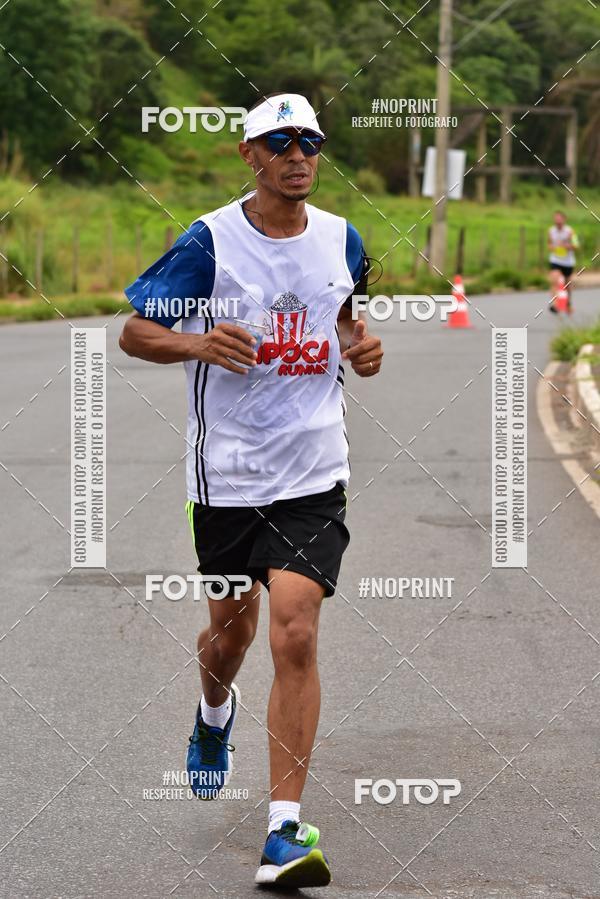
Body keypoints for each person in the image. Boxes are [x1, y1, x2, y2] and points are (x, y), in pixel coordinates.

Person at [119, 92, 383, 888]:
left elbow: (344, 318)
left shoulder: (344, 237)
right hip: (227, 476)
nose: (299, 153)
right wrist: (195, 339)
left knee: (295, 632)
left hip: (311, 471)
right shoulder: (210, 241)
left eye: (310, 141)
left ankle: (284, 833)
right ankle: (211, 714)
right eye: (281, 141)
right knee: (230, 640)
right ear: (250, 154)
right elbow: (134, 331)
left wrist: (360, 346)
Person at [548, 210, 578, 314]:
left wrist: (566, 246)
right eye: (555, 218)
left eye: (559, 218)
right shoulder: (551, 231)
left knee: (567, 284)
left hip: (568, 262)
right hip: (555, 260)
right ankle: (555, 304)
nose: (557, 220)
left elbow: (576, 245)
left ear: (564, 219)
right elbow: (549, 244)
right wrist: (552, 247)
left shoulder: (570, 231)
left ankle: (568, 303)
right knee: (554, 280)